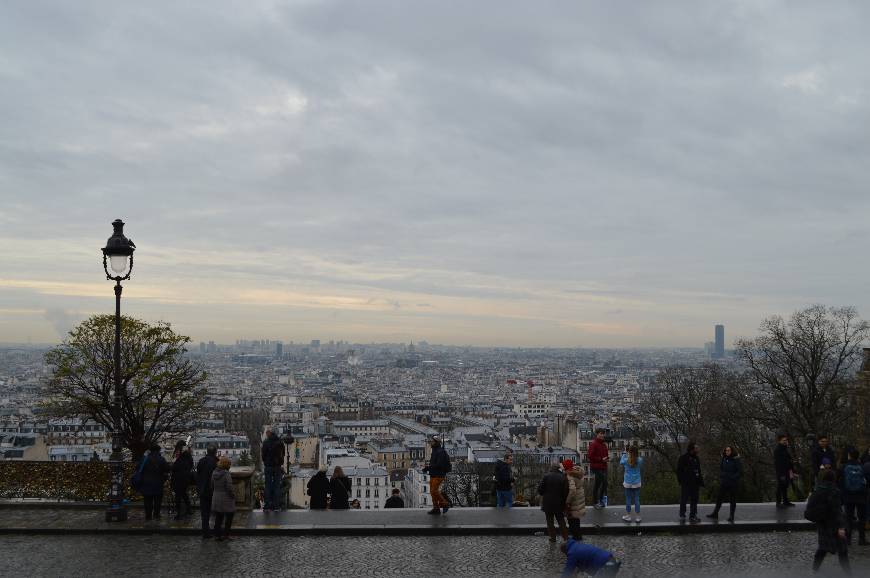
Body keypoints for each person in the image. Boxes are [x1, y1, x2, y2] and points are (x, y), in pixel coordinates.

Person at [807, 469, 850, 573]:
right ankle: (849, 573)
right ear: (834, 479)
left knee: (822, 548)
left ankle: (814, 570)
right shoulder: (834, 491)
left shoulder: (817, 490)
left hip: (822, 524)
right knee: (842, 551)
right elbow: (837, 511)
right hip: (834, 524)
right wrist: (841, 527)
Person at [839, 448, 868, 545]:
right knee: (862, 518)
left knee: (849, 517)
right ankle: (862, 539)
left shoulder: (843, 467)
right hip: (861, 495)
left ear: (849, 456)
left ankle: (848, 539)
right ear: (858, 456)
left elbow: (839, 481)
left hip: (848, 495)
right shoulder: (863, 467)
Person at [707, 445, 742, 522]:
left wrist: (732, 478)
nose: (727, 452)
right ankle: (715, 513)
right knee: (719, 498)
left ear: (732, 451)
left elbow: (739, 472)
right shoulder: (724, 458)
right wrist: (722, 476)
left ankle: (731, 516)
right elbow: (721, 469)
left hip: (733, 483)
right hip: (724, 482)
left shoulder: (736, 459)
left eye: (729, 450)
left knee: (732, 500)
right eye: (726, 450)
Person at [538, 462, 569, 543]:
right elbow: (566, 492)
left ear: (551, 468)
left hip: (547, 503)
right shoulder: (563, 477)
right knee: (561, 521)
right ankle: (566, 538)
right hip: (559, 503)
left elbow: (540, 490)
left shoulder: (546, 476)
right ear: (558, 468)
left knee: (549, 521)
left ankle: (552, 538)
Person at [139, 443, 169, 521]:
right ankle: (156, 515)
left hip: (146, 483)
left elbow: (138, 469)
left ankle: (148, 516)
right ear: (158, 450)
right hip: (158, 483)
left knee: (147, 501)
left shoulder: (145, 459)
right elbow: (167, 469)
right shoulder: (161, 459)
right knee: (157, 500)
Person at [423, 436, 452, 515]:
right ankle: (436, 508)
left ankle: (445, 503)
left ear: (436, 442)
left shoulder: (440, 452)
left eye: (432, 441)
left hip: (439, 474)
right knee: (432, 492)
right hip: (434, 473)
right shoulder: (436, 450)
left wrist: (428, 468)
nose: (431, 442)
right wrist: (428, 468)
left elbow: (439, 464)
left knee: (434, 491)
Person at [676, 442, 703, 523]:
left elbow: (698, 470)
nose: (697, 450)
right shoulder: (683, 458)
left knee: (694, 500)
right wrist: (681, 481)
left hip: (695, 483)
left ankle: (693, 515)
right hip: (686, 483)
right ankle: (682, 515)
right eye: (696, 448)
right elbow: (679, 471)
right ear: (692, 449)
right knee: (684, 499)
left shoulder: (696, 458)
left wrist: (700, 481)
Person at [196, 444, 218, 538]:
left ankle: (205, 531)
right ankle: (217, 531)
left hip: (202, 489)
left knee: (204, 512)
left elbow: (198, 474)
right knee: (218, 512)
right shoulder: (216, 462)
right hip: (213, 490)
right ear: (215, 452)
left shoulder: (201, 461)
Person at [211, 456, 235, 541]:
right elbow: (229, 487)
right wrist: (233, 495)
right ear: (227, 465)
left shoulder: (214, 473)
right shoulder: (226, 474)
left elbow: (212, 485)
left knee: (219, 517)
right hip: (226, 498)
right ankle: (226, 534)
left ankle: (217, 535)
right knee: (229, 516)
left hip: (216, 497)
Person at [260, 430, 286, 512]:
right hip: (277, 466)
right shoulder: (280, 442)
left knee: (268, 486)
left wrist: (266, 461)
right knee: (277, 486)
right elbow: (283, 454)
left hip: (268, 466)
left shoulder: (266, 442)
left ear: (269, 435)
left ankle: (267, 505)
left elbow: (263, 455)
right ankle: (276, 506)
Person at [170, 440, 194, 520]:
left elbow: (173, 467)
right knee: (184, 494)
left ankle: (179, 512)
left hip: (177, 479)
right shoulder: (188, 457)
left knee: (178, 496)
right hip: (186, 478)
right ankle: (189, 508)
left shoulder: (178, 457)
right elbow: (191, 465)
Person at [619, 445, 643, 523]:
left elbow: (621, 462)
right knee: (637, 499)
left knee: (628, 499)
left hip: (628, 482)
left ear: (629, 452)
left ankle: (628, 516)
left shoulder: (626, 460)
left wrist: (624, 453)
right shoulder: (640, 460)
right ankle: (638, 517)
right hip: (636, 482)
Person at [564, 459, 586, 540]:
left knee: (572, 519)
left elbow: (572, 490)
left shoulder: (570, 475)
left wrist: (567, 501)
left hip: (574, 499)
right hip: (580, 496)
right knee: (576, 519)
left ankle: (575, 536)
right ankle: (578, 535)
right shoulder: (578, 472)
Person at [588, 429, 609, 509]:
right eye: (601, 433)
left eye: (603, 434)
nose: (602, 435)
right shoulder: (594, 444)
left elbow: (605, 455)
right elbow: (590, 456)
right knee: (603, 483)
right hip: (596, 467)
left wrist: (606, 459)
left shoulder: (603, 445)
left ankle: (598, 501)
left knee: (600, 484)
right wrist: (601, 459)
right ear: (597, 434)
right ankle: (597, 501)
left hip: (603, 466)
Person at [774, 434, 796, 508]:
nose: (785, 441)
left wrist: (792, 470)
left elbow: (788, 461)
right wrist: (781, 474)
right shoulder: (778, 450)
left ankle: (785, 501)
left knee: (785, 486)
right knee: (780, 486)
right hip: (782, 472)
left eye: (786, 440)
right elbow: (778, 464)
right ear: (779, 441)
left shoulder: (784, 448)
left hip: (787, 471)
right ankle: (778, 502)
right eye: (784, 440)